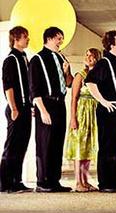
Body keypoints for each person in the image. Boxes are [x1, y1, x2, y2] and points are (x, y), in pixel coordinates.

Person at [86, 30, 116, 193]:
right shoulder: (104, 63)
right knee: (108, 146)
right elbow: (90, 82)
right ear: (112, 45)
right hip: (109, 111)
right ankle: (105, 183)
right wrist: (103, 101)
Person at [28, 27, 73, 192]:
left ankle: (55, 181)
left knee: (57, 143)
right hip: (46, 105)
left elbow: (68, 83)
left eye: (62, 38)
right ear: (48, 39)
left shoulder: (61, 57)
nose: (61, 41)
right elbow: (34, 88)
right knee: (44, 143)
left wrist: (67, 71)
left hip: (60, 104)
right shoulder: (37, 59)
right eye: (58, 38)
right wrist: (42, 110)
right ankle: (43, 182)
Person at [0, 26, 33, 193]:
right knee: (12, 145)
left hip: (26, 108)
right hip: (16, 108)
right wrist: (13, 107)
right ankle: (5, 183)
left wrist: (30, 105)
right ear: (16, 39)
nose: (28, 39)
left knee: (22, 145)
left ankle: (17, 180)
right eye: (25, 37)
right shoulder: (10, 60)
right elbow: (9, 86)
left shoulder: (24, 57)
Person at [65, 48, 101, 192]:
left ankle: (85, 180)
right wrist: (73, 118)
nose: (89, 57)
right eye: (86, 55)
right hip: (81, 113)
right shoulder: (80, 75)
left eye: (92, 55)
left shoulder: (98, 75)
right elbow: (74, 98)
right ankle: (78, 182)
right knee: (79, 147)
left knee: (88, 148)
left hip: (93, 114)